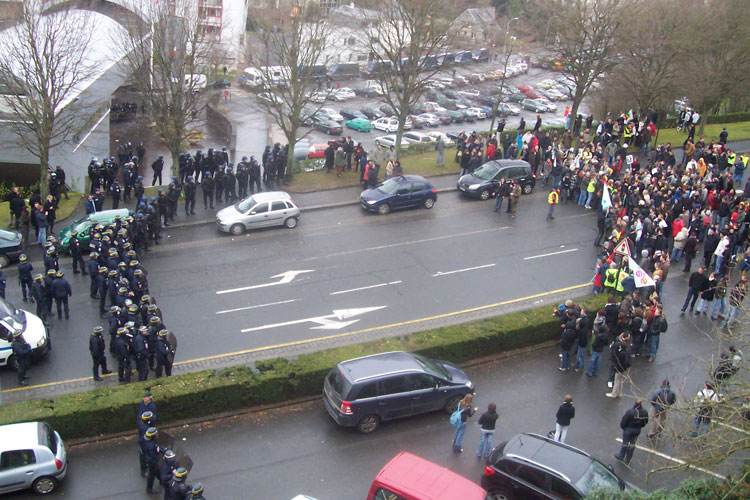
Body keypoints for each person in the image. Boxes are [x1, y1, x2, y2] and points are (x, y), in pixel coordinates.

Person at [614, 399, 648, 465]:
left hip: (628, 429)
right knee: (632, 443)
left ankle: (621, 456)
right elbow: (645, 422)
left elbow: (624, 421)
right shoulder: (644, 412)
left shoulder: (630, 412)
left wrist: (624, 428)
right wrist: (640, 426)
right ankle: (628, 458)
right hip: (637, 430)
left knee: (625, 442)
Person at [143, 427, 162, 494]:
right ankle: (149, 488)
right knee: (152, 474)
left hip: (149, 459)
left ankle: (161, 480)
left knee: (156, 471)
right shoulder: (152, 446)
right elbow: (154, 455)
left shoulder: (148, 441)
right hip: (152, 461)